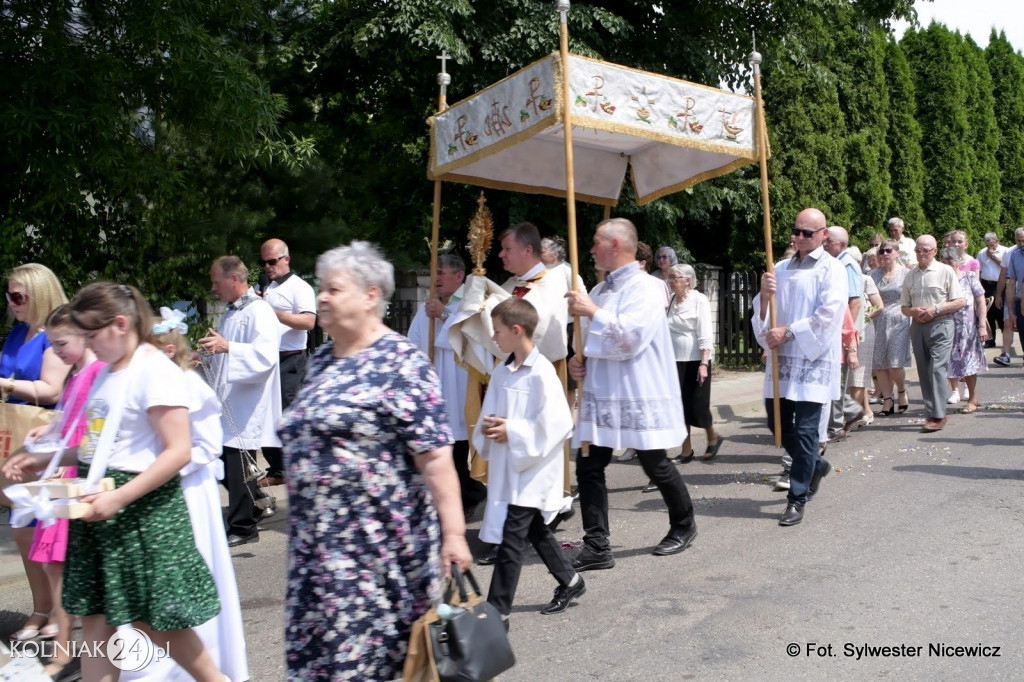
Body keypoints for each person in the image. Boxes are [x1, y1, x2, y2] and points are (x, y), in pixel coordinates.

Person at [5, 282, 225, 682]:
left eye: (91, 334)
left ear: (120, 324)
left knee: (157, 624)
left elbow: (178, 450)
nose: (87, 344)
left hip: (143, 512)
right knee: (95, 618)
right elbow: (97, 448)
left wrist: (121, 496)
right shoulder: (105, 372)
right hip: (101, 507)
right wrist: (42, 460)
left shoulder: (154, 369)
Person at [277, 241, 471, 681]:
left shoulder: (402, 363)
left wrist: (455, 534)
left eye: (334, 289)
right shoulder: (323, 359)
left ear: (370, 296)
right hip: (316, 554)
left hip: (376, 556)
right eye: (320, 288)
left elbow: (437, 459)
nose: (322, 297)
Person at [118, 311, 250, 682]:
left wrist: (157, 469)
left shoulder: (189, 387)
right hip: (154, 491)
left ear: (168, 350)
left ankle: (199, 663)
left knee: (186, 578)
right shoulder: (139, 385)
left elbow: (205, 446)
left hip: (187, 492)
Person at [567, 218, 698, 565]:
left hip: (636, 388)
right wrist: (576, 363)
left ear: (614, 246)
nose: (591, 249)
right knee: (588, 465)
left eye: (596, 242)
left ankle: (684, 524)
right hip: (601, 391)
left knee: (654, 462)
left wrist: (591, 312)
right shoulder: (598, 290)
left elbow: (631, 338)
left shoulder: (645, 287)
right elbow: (585, 342)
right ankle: (597, 545)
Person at [475, 297, 582, 622]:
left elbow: (559, 423)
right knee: (535, 530)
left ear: (516, 329)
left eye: (497, 331)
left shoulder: (542, 373)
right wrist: (491, 428)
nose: (494, 338)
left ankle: (497, 614)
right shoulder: (502, 372)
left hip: (533, 469)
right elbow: (489, 416)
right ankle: (571, 580)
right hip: (511, 467)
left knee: (512, 540)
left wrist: (514, 431)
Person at [21, 305, 104, 680]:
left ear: (84, 335)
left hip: (78, 474)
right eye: (52, 345)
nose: (56, 352)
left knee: (61, 565)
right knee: (54, 564)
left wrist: (59, 453)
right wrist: (51, 427)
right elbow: (72, 417)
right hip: (66, 470)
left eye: (60, 343)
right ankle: (69, 647)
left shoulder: (96, 372)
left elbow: (92, 426)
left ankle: (68, 650)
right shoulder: (78, 375)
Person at [752, 208, 845, 526]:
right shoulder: (779, 268)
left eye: (808, 232)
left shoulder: (832, 269)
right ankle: (815, 465)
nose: (800, 237)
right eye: (797, 231)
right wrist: (764, 297)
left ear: (823, 235)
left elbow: (829, 313)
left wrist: (788, 331)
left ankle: (797, 497)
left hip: (811, 358)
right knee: (776, 424)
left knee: (806, 432)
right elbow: (762, 314)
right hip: (781, 360)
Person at [1, 263, 71, 645]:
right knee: (21, 530)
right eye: (9, 295)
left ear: (39, 294)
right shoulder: (16, 333)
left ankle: (58, 613)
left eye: (18, 296)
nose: (11, 303)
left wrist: (5, 383)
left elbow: (52, 389)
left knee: (43, 532)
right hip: (15, 436)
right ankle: (42, 607)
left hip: (44, 438)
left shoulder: (53, 335)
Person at [200, 255, 280, 547]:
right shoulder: (234, 311)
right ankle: (253, 502)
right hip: (230, 397)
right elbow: (227, 353)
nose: (213, 287)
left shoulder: (259, 311)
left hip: (248, 399)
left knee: (237, 461)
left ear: (234, 279)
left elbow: (265, 357)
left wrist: (227, 346)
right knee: (223, 456)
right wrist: (207, 355)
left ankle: (243, 526)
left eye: (216, 280)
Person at [407, 252, 487, 519]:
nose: (436, 278)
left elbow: (474, 334)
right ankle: (461, 496)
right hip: (436, 383)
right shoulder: (426, 307)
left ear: (459, 276)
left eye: (441, 273)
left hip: (461, 379)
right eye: (435, 273)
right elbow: (414, 342)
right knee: (443, 445)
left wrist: (444, 315)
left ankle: (472, 494)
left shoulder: (470, 300)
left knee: (460, 444)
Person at [257, 238, 316, 488]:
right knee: (267, 414)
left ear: (286, 259)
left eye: (272, 261)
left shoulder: (299, 287)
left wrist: (274, 313)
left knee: (285, 413)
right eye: (264, 263)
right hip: (268, 357)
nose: (268, 267)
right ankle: (279, 467)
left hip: (290, 358)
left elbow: (308, 322)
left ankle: (299, 466)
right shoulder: (268, 286)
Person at [900, 235, 966, 432]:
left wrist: (935, 309)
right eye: (918, 250)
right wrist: (914, 312)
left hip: (941, 324)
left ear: (935, 251)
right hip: (918, 326)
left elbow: (959, 301)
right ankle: (931, 411)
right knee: (924, 369)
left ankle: (938, 415)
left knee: (937, 369)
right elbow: (904, 307)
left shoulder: (945, 271)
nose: (921, 254)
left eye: (926, 250)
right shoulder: (910, 275)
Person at [666, 263, 722, 462]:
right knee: (679, 406)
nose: (670, 281)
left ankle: (712, 435)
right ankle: (686, 450)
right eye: (670, 278)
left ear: (687, 281)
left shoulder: (699, 300)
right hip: (674, 360)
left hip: (695, 360)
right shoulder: (672, 300)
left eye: (675, 278)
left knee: (697, 405)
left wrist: (704, 364)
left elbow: (705, 332)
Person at [823, 227, 864, 439]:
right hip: (833, 331)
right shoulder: (832, 263)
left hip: (842, 333)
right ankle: (849, 411)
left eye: (829, 241)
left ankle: (837, 425)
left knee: (836, 379)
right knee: (829, 378)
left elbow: (854, 302)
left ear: (842, 245)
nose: (825, 243)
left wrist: (847, 337)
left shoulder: (847, 265)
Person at [940, 248, 988, 415]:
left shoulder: (969, 277)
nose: (947, 266)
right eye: (944, 263)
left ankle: (972, 398)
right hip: (946, 328)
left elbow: (981, 301)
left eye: (950, 262)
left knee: (968, 363)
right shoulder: (941, 280)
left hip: (967, 329)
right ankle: (949, 396)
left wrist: (982, 325)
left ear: (957, 263)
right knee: (948, 363)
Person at [871, 240, 913, 416]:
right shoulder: (873, 275)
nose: (884, 254)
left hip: (899, 320)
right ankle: (887, 400)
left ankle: (902, 390)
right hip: (877, 321)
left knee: (895, 363)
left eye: (888, 251)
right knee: (880, 363)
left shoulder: (907, 274)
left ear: (897, 253)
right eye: (881, 252)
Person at [996, 227, 1024, 367]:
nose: (1021, 243)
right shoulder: (1012, 254)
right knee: (1008, 323)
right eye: (1019, 241)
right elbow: (1005, 277)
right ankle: (1006, 354)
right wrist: (998, 295)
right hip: (1016, 297)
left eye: (1023, 240)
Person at [977, 232, 1008, 349]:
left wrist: (993, 257)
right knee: (988, 312)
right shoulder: (981, 253)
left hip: (1000, 284)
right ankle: (991, 339)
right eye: (988, 245)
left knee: (1000, 311)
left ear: (997, 241)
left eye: (993, 245)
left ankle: (1006, 340)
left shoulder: (1005, 251)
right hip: (986, 284)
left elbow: (1007, 267)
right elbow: (979, 270)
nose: (990, 248)